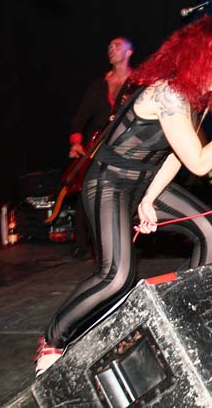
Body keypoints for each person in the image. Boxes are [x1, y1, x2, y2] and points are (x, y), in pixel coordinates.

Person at [34, 16, 212, 376]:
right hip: (109, 182)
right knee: (116, 276)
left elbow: (175, 156)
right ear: (205, 55)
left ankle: (186, 320)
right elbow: (199, 163)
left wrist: (149, 198)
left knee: (210, 229)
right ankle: (52, 339)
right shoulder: (169, 93)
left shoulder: (193, 96)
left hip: (142, 183)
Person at [67, 37, 136, 258]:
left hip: (125, 145)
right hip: (97, 145)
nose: (111, 49)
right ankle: (81, 243)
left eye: (117, 46)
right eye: (109, 47)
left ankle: (123, 241)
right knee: (87, 188)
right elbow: (79, 119)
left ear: (129, 52)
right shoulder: (98, 86)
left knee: (123, 192)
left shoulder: (137, 83)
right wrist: (76, 142)